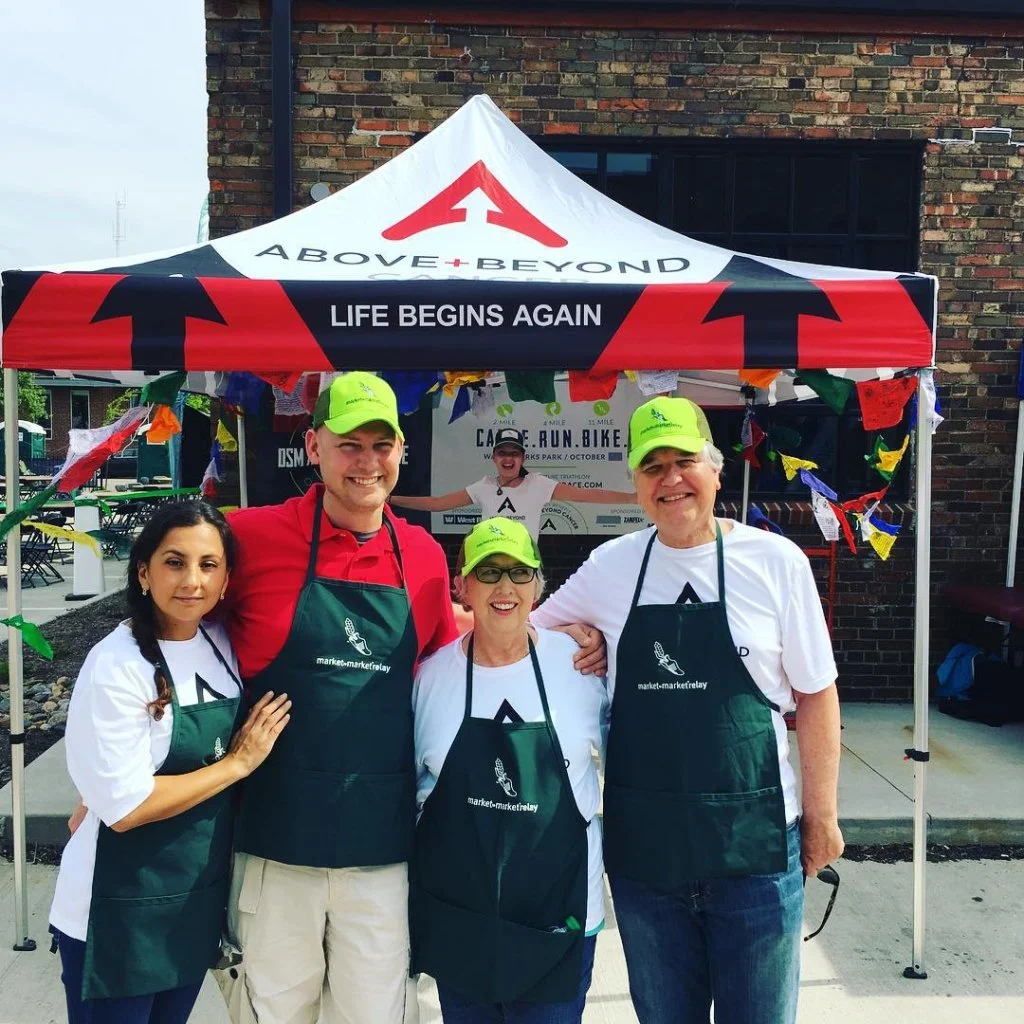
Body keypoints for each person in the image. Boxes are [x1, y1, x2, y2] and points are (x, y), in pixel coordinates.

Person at [223, 374, 607, 1024]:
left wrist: (545, 629)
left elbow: (461, 637)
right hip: (275, 848)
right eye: (350, 444)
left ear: (401, 453)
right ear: (313, 446)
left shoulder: (424, 557)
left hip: (382, 856)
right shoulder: (248, 538)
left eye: (382, 445)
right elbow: (174, 615)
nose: (367, 462)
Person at [531, 396, 845, 1024]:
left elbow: (816, 695)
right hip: (649, 859)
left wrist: (822, 816)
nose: (671, 480)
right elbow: (520, 634)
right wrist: (577, 637)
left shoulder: (775, 562)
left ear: (716, 468)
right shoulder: (610, 566)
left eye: (685, 461)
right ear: (635, 485)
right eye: (653, 467)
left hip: (755, 853)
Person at [49, 500, 291, 1024]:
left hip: (188, 906)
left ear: (227, 580)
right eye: (174, 562)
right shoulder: (117, 663)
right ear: (144, 572)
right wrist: (236, 765)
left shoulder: (218, 641)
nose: (192, 581)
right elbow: (126, 807)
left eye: (209, 565)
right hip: (115, 916)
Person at [411, 517, 609, 1024]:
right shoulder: (431, 679)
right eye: (489, 572)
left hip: (558, 922)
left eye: (520, 573)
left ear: (539, 584)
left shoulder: (583, 667)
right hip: (463, 919)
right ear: (463, 587)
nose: (505, 587)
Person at [390, 426, 636, 539]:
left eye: (514, 453)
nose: (508, 459)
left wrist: (634, 498)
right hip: (487, 561)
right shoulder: (483, 486)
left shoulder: (539, 484)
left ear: (523, 458)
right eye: (502, 453)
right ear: (494, 457)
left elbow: (587, 495)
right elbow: (436, 504)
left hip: (524, 564)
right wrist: (389, 499)